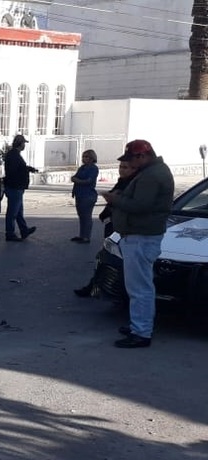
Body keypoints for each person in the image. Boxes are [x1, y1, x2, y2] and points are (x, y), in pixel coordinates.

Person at [101, 139, 174, 348]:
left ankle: (141, 332)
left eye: (132, 159)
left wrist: (115, 200)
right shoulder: (152, 172)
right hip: (140, 235)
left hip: (141, 237)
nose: (131, 164)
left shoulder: (151, 175)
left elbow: (140, 205)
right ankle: (139, 325)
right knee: (141, 286)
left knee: (139, 288)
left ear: (142, 156)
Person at [73, 159, 135, 297]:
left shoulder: (132, 184)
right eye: (120, 167)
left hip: (121, 226)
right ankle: (95, 286)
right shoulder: (123, 181)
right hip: (112, 223)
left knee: (111, 258)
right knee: (105, 257)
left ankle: (100, 287)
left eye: (126, 167)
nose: (122, 170)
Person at [3, 134, 40, 242]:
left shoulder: (14, 154)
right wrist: (25, 170)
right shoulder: (14, 155)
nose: (24, 145)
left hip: (16, 187)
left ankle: (24, 230)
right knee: (13, 212)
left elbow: (19, 168)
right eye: (24, 143)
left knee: (18, 211)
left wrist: (28, 169)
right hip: (15, 187)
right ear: (20, 144)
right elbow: (15, 171)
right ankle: (10, 233)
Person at [70, 149, 99, 243]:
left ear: (92, 158)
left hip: (88, 195)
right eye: (84, 156)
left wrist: (78, 181)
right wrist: (76, 179)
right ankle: (82, 235)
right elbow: (74, 177)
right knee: (81, 216)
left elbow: (89, 180)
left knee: (86, 216)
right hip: (79, 194)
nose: (85, 158)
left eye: (87, 157)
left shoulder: (93, 168)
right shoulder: (82, 168)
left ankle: (86, 237)